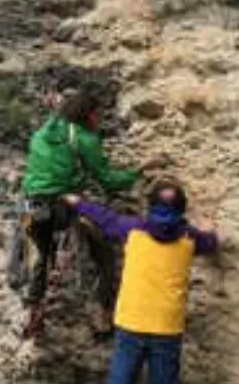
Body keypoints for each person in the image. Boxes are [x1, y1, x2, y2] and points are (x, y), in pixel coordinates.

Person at [70, 179, 220, 384]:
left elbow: (105, 219)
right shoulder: (190, 238)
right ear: (182, 209)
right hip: (167, 329)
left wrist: (77, 202)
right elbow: (211, 243)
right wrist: (211, 228)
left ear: (150, 206)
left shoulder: (133, 230)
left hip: (131, 326)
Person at [20, 86, 156, 322]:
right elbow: (108, 181)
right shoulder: (85, 139)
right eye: (97, 115)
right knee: (104, 252)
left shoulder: (46, 130)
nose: (99, 120)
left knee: (41, 254)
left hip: (29, 204)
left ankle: (33, 308)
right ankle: (100, 308)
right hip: (60, 204)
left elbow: (57, 112)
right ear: (88, 114)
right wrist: (139, 170)